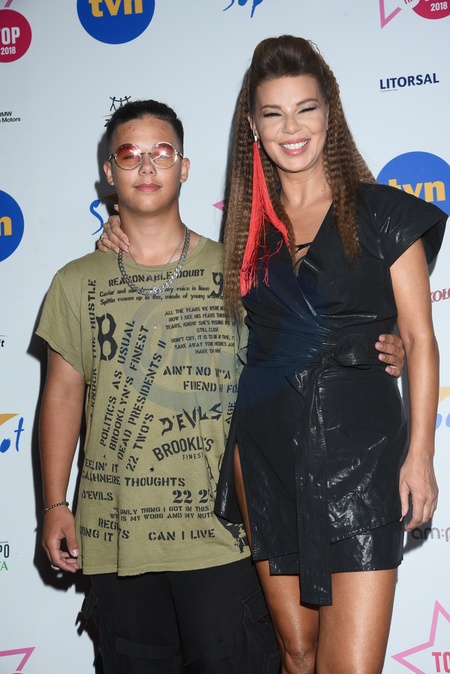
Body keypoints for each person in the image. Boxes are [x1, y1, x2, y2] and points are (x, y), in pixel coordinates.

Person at [210, 35, 445, 674]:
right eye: (274, 113)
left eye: (306, 109)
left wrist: (420, 457)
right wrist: (117, 231)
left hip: (361, 458)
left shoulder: (383, 212)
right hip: (266, 452)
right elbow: (170, 251)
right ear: (253, 126)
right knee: (296, 653)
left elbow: (421, 340)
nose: (292, 129)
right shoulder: (247, 230)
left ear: (329, 113)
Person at [37, 99, 281, 674]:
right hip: (116, 538)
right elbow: (63, 395)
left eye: (162, 153)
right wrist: (53, 503)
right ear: (109, 171)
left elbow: (288, 373)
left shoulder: (239, 273)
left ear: (185, 167)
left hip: (223, 535)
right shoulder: (76, 282)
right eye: (130, 154)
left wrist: (381, 351)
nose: (147, 167)